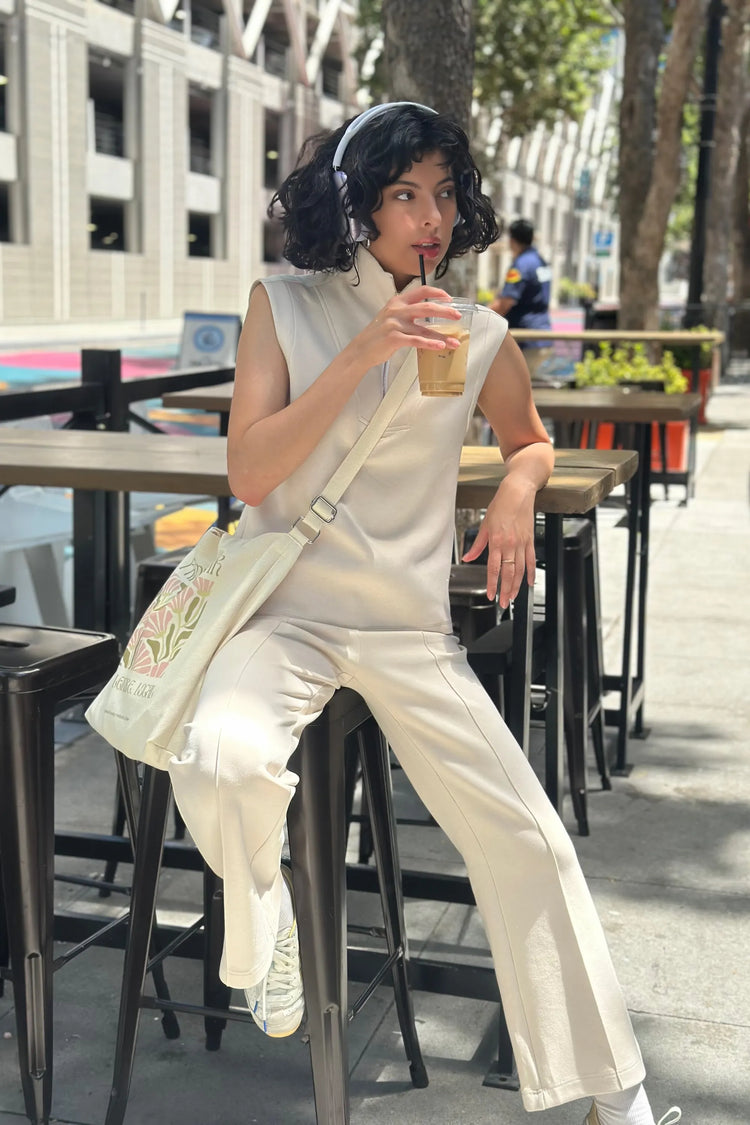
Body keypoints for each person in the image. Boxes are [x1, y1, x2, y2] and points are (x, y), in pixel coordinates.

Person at [166, 103, 680, 1125]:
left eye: (445, 195)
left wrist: (520, 488)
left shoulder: (478, 331)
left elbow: (530, 438)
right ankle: (264, 928)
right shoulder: (284, 301)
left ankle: (612, 1099)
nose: (430, 218)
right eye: (405, 194)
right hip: (287, 615)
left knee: (530, 841)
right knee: (221, 754)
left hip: (407, 630)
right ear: (356, 201)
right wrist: (366, 352)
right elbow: (251, 471)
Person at [491, 218, 554, 379]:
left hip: (525, 339)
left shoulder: (521, 266)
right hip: (542, 334)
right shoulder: (541, 262)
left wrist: (480, 315)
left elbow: (506, 302)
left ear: (512, 240)